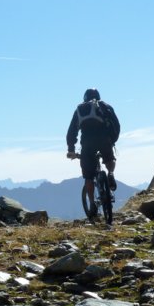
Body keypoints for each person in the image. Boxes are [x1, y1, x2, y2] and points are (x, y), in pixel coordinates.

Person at [66, 88, 120, 216]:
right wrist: (112, 140)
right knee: (109, 159)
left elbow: (72, 131)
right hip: (104, 139)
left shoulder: (80, 109)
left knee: (88, 177)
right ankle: (111, 173)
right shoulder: (105, 106)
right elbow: (116, 125)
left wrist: (71, 150)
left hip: (87, 143)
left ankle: (92, 204)